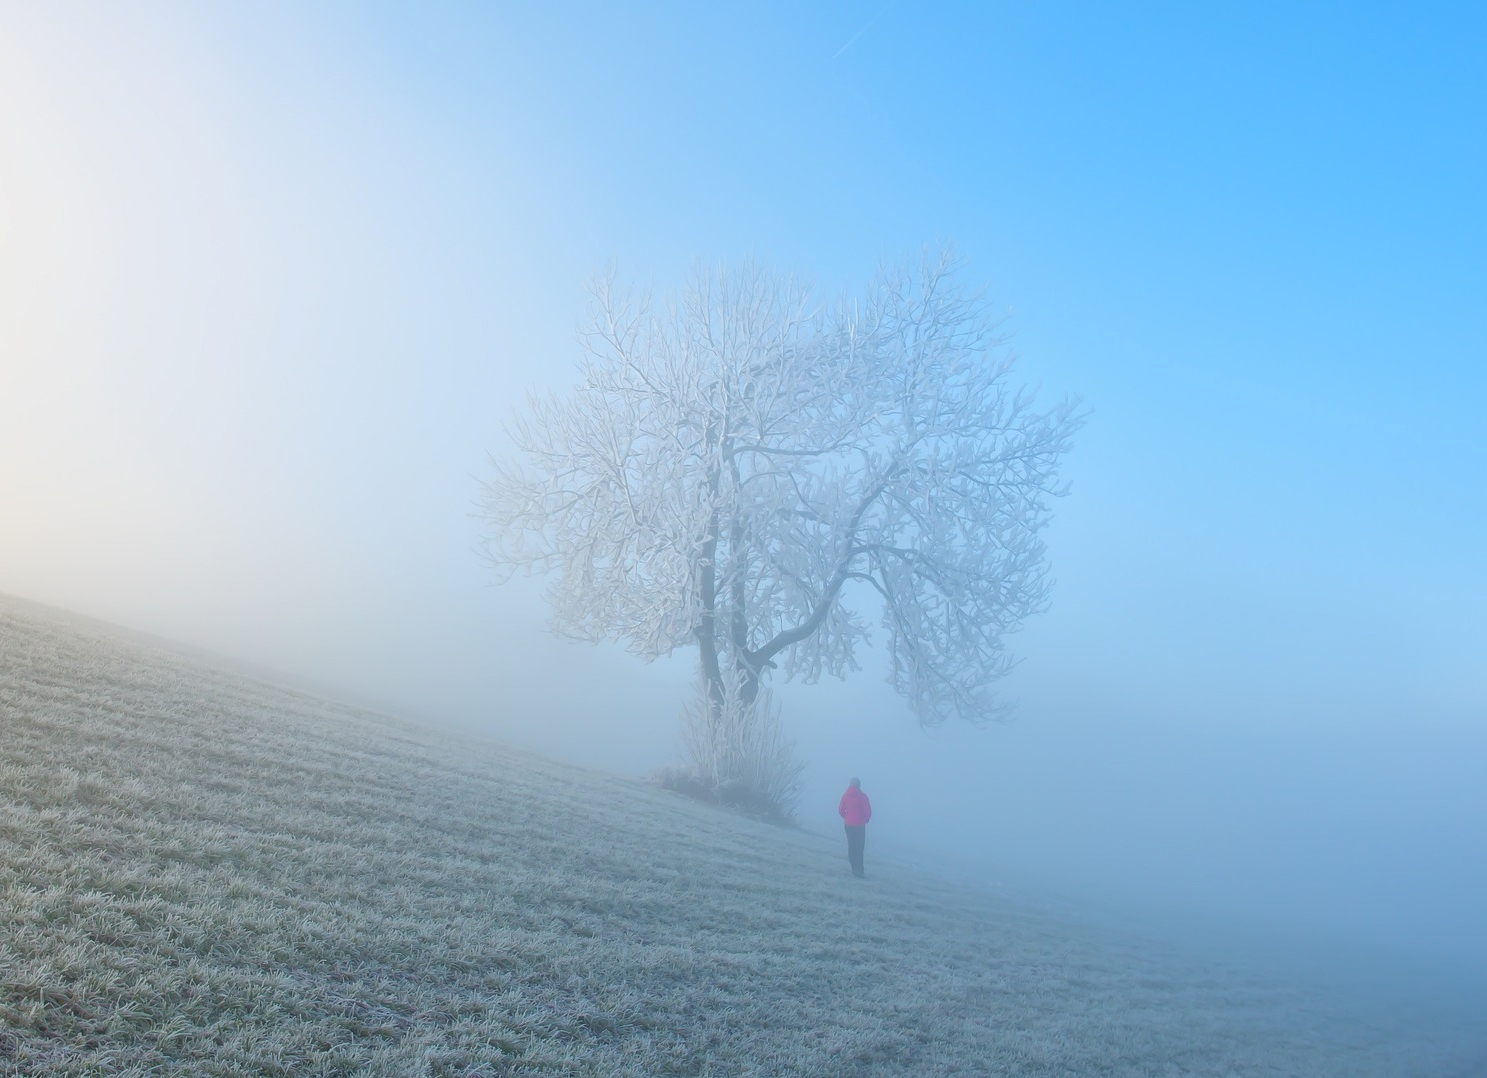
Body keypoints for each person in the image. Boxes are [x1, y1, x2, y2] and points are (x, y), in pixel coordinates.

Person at [838, 777, 872, 878]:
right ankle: (859, 870)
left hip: (848, 825)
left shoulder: (845, 795)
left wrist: (847, 817)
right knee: (859, 848)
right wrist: (864, 820)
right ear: (859, 785)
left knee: (851, 846)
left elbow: (840, 810)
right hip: (859, 826)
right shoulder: (863, 796)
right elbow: (868, 812)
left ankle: (853, 868)